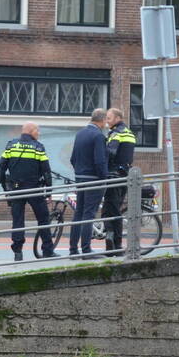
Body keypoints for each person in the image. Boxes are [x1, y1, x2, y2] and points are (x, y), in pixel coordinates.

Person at [0, 122, 58, 261]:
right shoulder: (38, 148)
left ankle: (18, 252)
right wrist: (48, 192)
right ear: (31, 131)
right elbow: (46, 172)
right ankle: (47, 250)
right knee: (43, 219)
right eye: (38, 130)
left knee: (18, 220)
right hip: (34, 189)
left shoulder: (11, 146)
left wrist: (6, 188)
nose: (39, 133)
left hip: (16, 189)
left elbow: (1, 169)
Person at [68, 108, 109, 259]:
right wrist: (104, 177)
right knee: (88, 214)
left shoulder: (80, 133)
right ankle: (86, 250)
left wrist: (79, 172)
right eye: (106, 121)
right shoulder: (98, 136)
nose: (106, 124)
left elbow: (73, 158)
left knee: (78, 213)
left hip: (80, 178)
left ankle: (73, 250)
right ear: (102, 120)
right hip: (94, 179)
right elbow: (100, 160)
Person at [103, 107, 136, 257]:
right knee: (116, 208)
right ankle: (117, 244)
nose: (106, 121)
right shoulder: (129, 133)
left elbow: (111, 152)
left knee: (109, 210)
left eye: (109, 118)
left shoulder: (117, 133)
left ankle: (112, 244)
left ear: (117, 118)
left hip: (113, 176)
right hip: (124, 176)